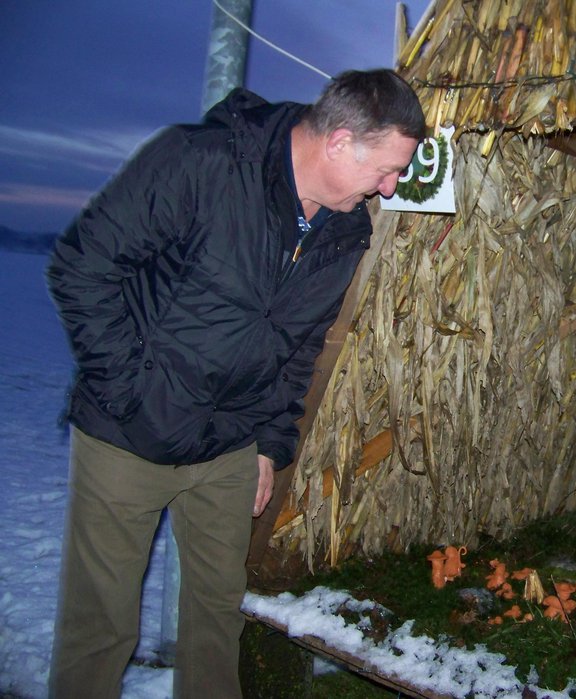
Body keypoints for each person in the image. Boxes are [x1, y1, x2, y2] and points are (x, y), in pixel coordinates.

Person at [46, 68, 425, 698]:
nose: (390, 187)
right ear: (337, 142)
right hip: (125, 441)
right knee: (101, 628)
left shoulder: (346, 228)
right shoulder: (200, 163)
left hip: (230, 450)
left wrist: (270, 445)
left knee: (217, 620)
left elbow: (297, 347)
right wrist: (131, 394)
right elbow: (82, 270)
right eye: (385, 170)